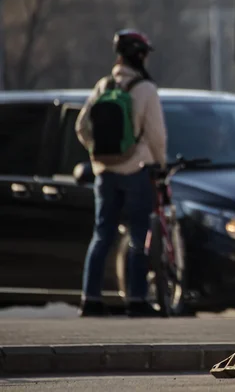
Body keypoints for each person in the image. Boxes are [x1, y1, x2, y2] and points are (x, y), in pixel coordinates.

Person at [75, 29, 167, 317]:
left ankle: (90, 299)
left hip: (105, 172)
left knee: (102, 235)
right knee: (140, 234)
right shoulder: (146, 89)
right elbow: (156, 134)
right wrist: (160, 164)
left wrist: (98, 153)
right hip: (136, 170)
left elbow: (81, 126)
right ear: (139, 56)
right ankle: (137, 300)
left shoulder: (102, 86)